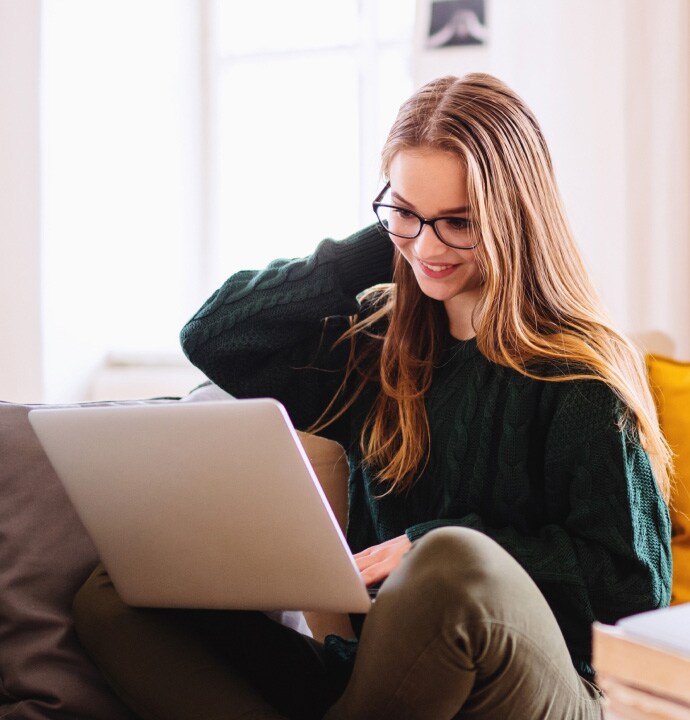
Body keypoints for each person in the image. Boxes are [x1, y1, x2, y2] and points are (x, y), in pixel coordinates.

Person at [73, 73, 672, 720]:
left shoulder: (577, 373)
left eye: (459, 222)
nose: (429, 247)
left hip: (532, 688)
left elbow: (631, 587)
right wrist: (376, 249)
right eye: (407, 213)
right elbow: (218, 338)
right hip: (377, 677)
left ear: (514, 218)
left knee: (451, 563)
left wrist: (431, 543)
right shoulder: (377, 347)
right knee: (120, 593)